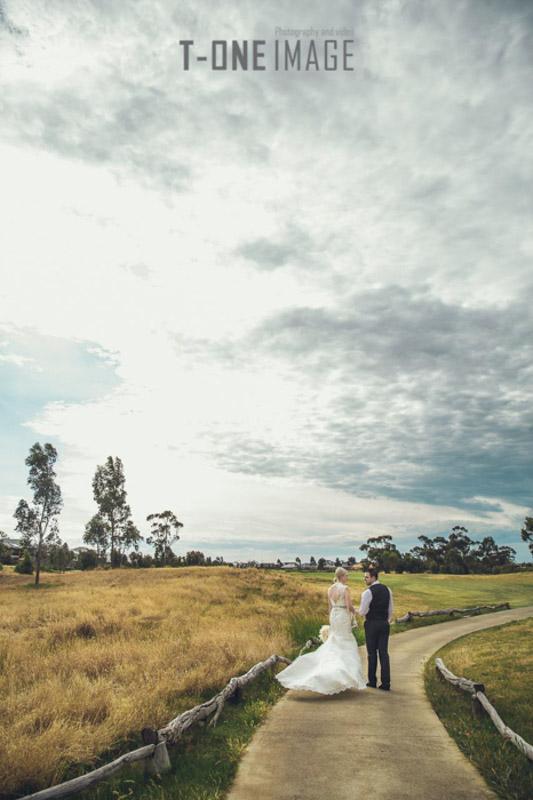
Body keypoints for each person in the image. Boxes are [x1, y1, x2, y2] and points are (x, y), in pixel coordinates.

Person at [276, 566, 366, 694]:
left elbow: (330, 608)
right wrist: (356, 611)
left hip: (334, 616)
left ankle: (337, 673)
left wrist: (332, 619)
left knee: (336, 640)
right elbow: (348, 606)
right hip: (343, 616)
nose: (347, 577)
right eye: (346, 575)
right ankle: (341, 674)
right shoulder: (345, 589)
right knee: (345, 641)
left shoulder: (329, 589)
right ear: (341, 577)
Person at [357, 567, 394, 690]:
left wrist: (356, 611)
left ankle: (372, 681)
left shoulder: (367, 593)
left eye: (366, 577)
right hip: (384, 624)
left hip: (372, 623)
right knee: (383, 653)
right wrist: (385, 620)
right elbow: (391, 610)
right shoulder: (387, 590)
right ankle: (386, 683)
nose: (365, 579)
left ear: (373, 577)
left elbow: (362, 612)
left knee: (371, 653)